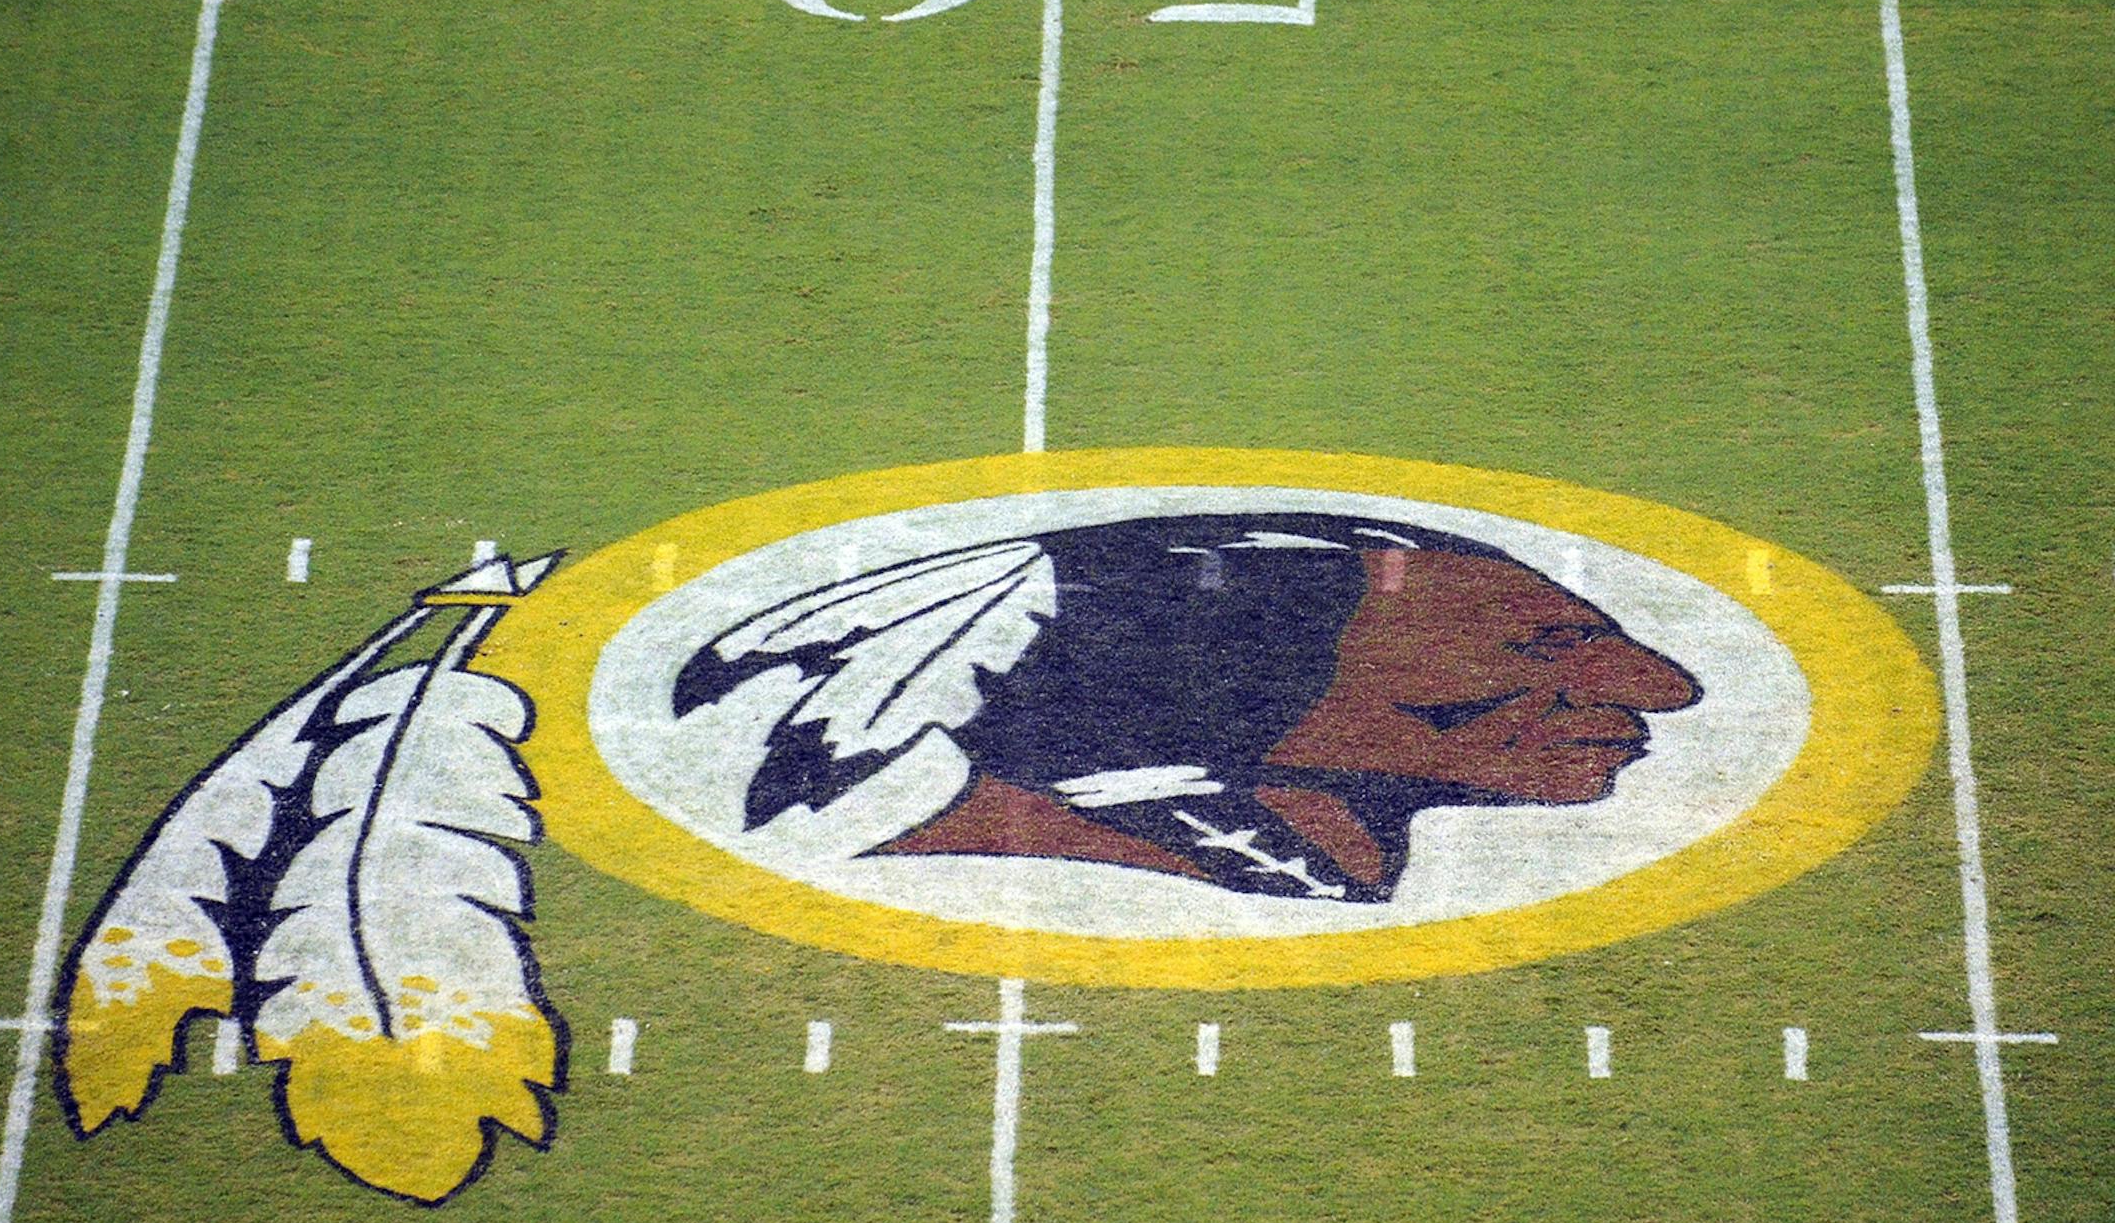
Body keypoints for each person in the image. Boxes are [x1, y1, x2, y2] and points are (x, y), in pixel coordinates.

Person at [672, 513, 1701, 903]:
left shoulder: (1292, 865)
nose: (1666, 690)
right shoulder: (1089, 878)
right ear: (1228, 682)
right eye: (1544, 645)